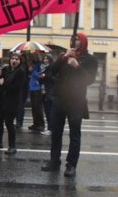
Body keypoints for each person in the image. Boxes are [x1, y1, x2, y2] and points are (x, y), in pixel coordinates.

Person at [41, 33, 98, 177]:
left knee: (74, 135)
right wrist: (64, 57)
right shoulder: (65, 56)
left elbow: (89, 80)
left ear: (84, 42)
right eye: (73, 39)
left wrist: (78, 66)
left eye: (78, 39)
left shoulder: (91, 59)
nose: (75, 41)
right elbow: (50, 71)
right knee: (56, 133)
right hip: (59, 100)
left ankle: (71, 165)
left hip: (76, 102)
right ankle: (54, 161)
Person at [0, 52, 26, 154]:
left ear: (20, 61)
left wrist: (3, 84)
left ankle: (12, 146)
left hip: (12, 102)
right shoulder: (6, 69)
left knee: (9, 123)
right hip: (1, 100)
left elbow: (16, 88)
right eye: (12, 59)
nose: (14, 61)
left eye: (16, 59)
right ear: (9, 60)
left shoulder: (21, 72)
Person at [27, 54, 46, 133]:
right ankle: (35, 123)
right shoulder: (32, 64)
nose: (33, 57)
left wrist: (33, 72)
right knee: (34, 107)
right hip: (32, 88)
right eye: (32, 56)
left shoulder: (40, 64)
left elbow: (42, 75)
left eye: (35, 56)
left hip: (37, 88)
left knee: (38, 107)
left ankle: (41, 124)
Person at [39, 54, 56, 136]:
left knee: (50, 112)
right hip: (44, 92)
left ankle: (51, 129)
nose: (45, 60)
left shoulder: (52, 68)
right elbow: (42, 81)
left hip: (50, 93)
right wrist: (41, 77)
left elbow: (55, 79)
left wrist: (46, 76)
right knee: (46, 111)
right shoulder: (44, 68)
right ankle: (49, 128)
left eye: (47, 59)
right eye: (44, 58)